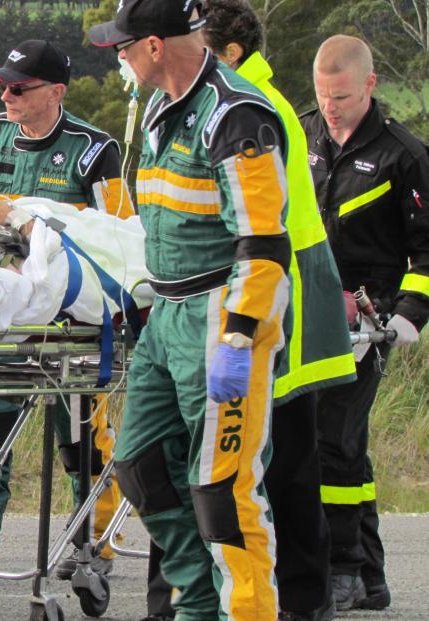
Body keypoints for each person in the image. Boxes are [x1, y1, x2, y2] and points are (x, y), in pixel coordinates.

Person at [140, 2, 358, 620]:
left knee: (272, 468)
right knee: (226, 465)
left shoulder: (246, 105)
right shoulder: (218, 98)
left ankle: (300, 599)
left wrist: (239, 327)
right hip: (258, 296)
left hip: (268, 299)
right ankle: (199, 600)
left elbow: (260, 232)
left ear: (228, 51)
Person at [88, 0, 292, 618]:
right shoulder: (156, 107)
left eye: (122, 45)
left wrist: (239, 337)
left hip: (219, 316)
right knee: (140, 468)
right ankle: (198, 604)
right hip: (167, 313)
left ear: (154, 46)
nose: (116, 57)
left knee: (225, 494)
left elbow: (263, 244)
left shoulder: (235, 115)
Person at [0, 39, 134, 583]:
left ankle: (95, 539)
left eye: (19, 88)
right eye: (1, 84)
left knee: (79, 438)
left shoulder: (95, 150)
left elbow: (119, 237)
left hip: (73, 321)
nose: (6, 95)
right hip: (5, 309)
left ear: (56, 92)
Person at [301, 34, 429, 612]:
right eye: (324, 96)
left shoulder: (406, 154)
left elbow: (428, 252)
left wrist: (409, 317)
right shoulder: (299, 134)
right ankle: (372, 579)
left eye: (344, 97)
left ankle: (343, 569)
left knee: (334, 439)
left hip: (371, 321)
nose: (331, 108)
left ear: (370, 85)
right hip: (308, 311)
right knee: (341, 444)